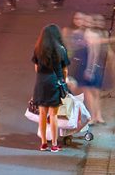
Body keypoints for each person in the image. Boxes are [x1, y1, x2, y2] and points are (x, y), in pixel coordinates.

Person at [31, 24, 70, 152]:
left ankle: (43, 143)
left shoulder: (38, 49)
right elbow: (65, 70)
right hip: (54, 83)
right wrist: (63, 81)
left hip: (41, 83)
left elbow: (36, 68)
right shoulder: (61, 50)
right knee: (53, 115)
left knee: (42, 114)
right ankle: (54, 144)